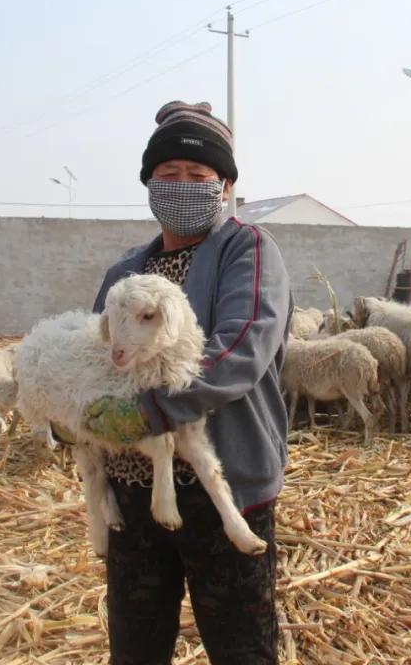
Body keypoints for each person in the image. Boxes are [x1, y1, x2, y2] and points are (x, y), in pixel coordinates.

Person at [84, 100, 293, 665]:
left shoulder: (247, 249)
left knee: (240, 648)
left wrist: (149, 410)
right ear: (149, 183)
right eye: (168, 173)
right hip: (135, 486)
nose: (181, 184)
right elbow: (94, 355)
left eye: (197, 174)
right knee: (136, 649)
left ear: (224, 185)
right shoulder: (127, 271)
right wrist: (74, 415)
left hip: (224, 486)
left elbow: (241, 347)